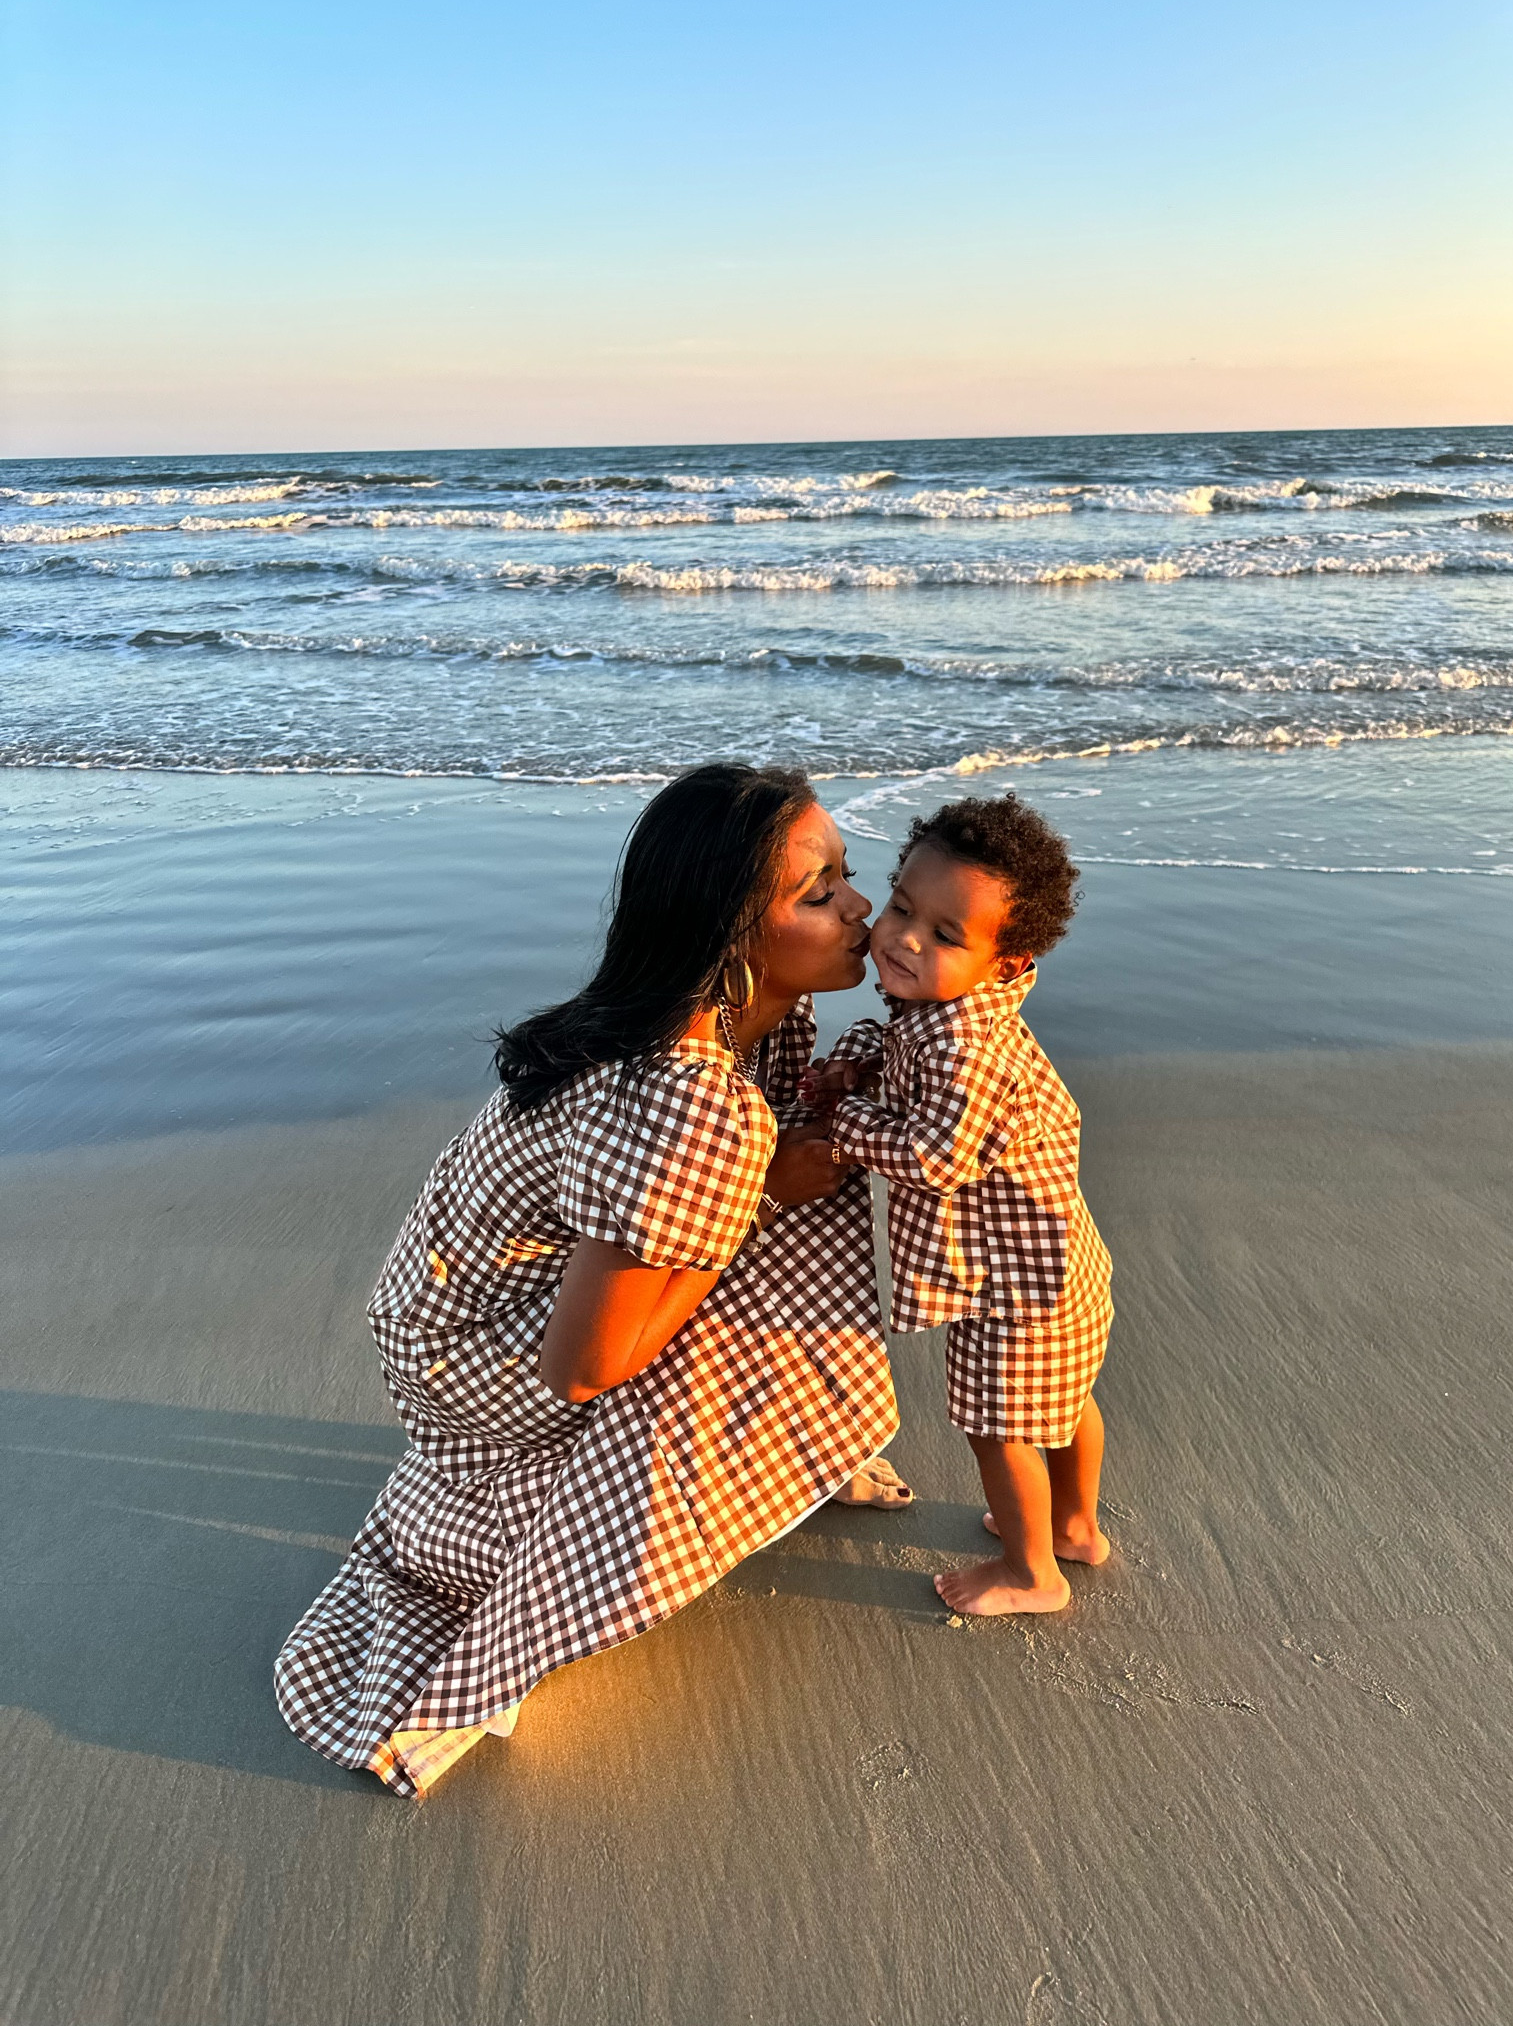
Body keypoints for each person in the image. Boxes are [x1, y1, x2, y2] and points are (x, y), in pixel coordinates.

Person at [275, 763, 908, 1797]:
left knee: (762, 1252)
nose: (859, 905)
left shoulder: (713, 1021)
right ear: (727, 935)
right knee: (725, 1340)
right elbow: (585, 1364)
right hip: (466, 1353)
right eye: (817, 890)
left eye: (846, 873)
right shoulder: (688, 1093)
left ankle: (796, 1443)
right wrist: (751, 1205)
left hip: (442, 1303)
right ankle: (524, 1585)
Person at [805, 793, 1112, 1616]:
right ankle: (1076, 1526)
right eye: (903, 906)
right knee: (1067, 1404)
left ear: (1005, 964)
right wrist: (861, 1061)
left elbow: (935, 1157)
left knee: (999, 1424)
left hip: (1009, 1291)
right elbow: (901, 1041)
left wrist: (843, 1121)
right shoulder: (947, 1008)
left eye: (945, 935)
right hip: (1056, 1271)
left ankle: (1031, 1573)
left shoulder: (965, 1046)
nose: (905, 937)